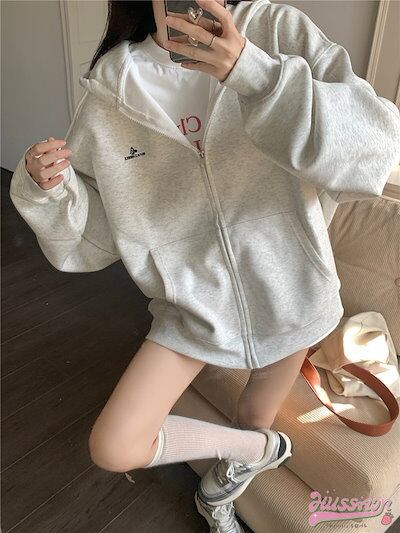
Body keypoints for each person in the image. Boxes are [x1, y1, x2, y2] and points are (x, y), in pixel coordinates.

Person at [9, 0, 400, 531]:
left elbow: (375, 143)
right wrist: (50, 191)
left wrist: (254, 74)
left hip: (294, 291)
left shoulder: (276, 30)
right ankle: (261, 452)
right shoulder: (113, 86)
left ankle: (220, 492)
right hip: (191, 306)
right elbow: (96, 231)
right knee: (114, 445)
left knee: (255, 419)